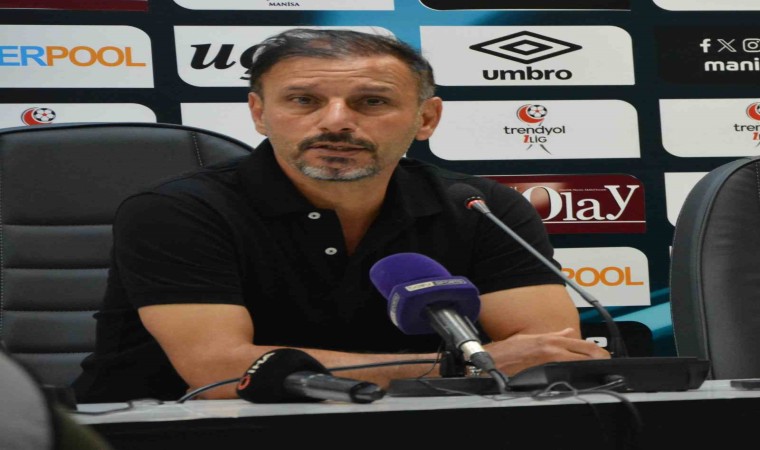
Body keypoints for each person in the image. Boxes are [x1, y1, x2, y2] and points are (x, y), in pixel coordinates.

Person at [72, 28, 609, 403]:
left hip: (416, 424)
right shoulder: (179, 212)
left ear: (426, 118)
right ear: (259, 113)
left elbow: (547, 355)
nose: (335, 122)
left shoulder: (480, 207)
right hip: (177, 432)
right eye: (303, 100)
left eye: (371, 102)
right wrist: (463, 366)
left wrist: (482, 369)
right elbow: (220, 372)